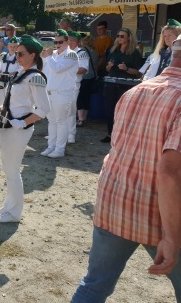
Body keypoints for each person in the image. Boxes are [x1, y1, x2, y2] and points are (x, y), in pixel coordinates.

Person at [71, 35, 181, 302]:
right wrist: (172, 236)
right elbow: (169, 172)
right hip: (161, 212)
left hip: (116, 198)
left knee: (94, 285)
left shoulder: (138, 90)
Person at [0, 35, 50, 223]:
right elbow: (15, 102)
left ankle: (14, 213)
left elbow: (44, 109)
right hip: (8, 125)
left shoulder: (35, 77)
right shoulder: (19, 74)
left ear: (33, 55)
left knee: (13, 170)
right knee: (8, 168)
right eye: (16, 53)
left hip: (19, 128)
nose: (17, 57)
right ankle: (9, 205)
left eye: (21, 54)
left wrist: (23, 123)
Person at [100, 27, 143, 143]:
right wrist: (109, 66)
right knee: (109, 109)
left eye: (122, 36)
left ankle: (122, 136)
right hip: (111, 83)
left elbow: (139, 72)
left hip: (126, 85)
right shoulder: (113, 50)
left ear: (129, 37)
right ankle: (110, 134)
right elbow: (107, 69)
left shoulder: (134, 52)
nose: (119, 38)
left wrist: (126, 68)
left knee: (123, 111)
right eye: (118, 36)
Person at [40, 29, 78, 158]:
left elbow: (58, 69)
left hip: (63, 92)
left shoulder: (71, 54)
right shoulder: (53, 54)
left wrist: (49, 57)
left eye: (60, 42)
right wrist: (43, 57)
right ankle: (51, 146)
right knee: (51, 121)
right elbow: (44, 70)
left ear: (67, 42)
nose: (57, 44)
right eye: (55, 42)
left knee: (61, 121)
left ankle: (60, 149)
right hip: (50, 92)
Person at [66, 31, 89, 143]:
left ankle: (71, 134)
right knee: (59, 110)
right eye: (69, 40)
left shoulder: (81, 53)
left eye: (73, 41)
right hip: (61, 85)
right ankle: (59, 133)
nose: (70, 43)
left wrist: (68, 69)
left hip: (73, 85)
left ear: (78, 42)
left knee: (70, 110)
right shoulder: (63, 52)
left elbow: (84, 69)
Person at [76, 35, 100, 127]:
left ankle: (80, 119)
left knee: (80, 97)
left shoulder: (82, 51)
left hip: (84, 77)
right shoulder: (95, 53)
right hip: (92, 77)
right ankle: (84, 118)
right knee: (87, 98)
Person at [0, 37, 20, 105]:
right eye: (10, 46)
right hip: (1, 81)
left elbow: (21, 70)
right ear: (8, 46)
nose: (12, 48)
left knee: (10, 102)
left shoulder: (19, 58)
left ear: (17, 47)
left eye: (14, 46)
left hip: (12, 82)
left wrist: (14, 73)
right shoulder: (3, 56)